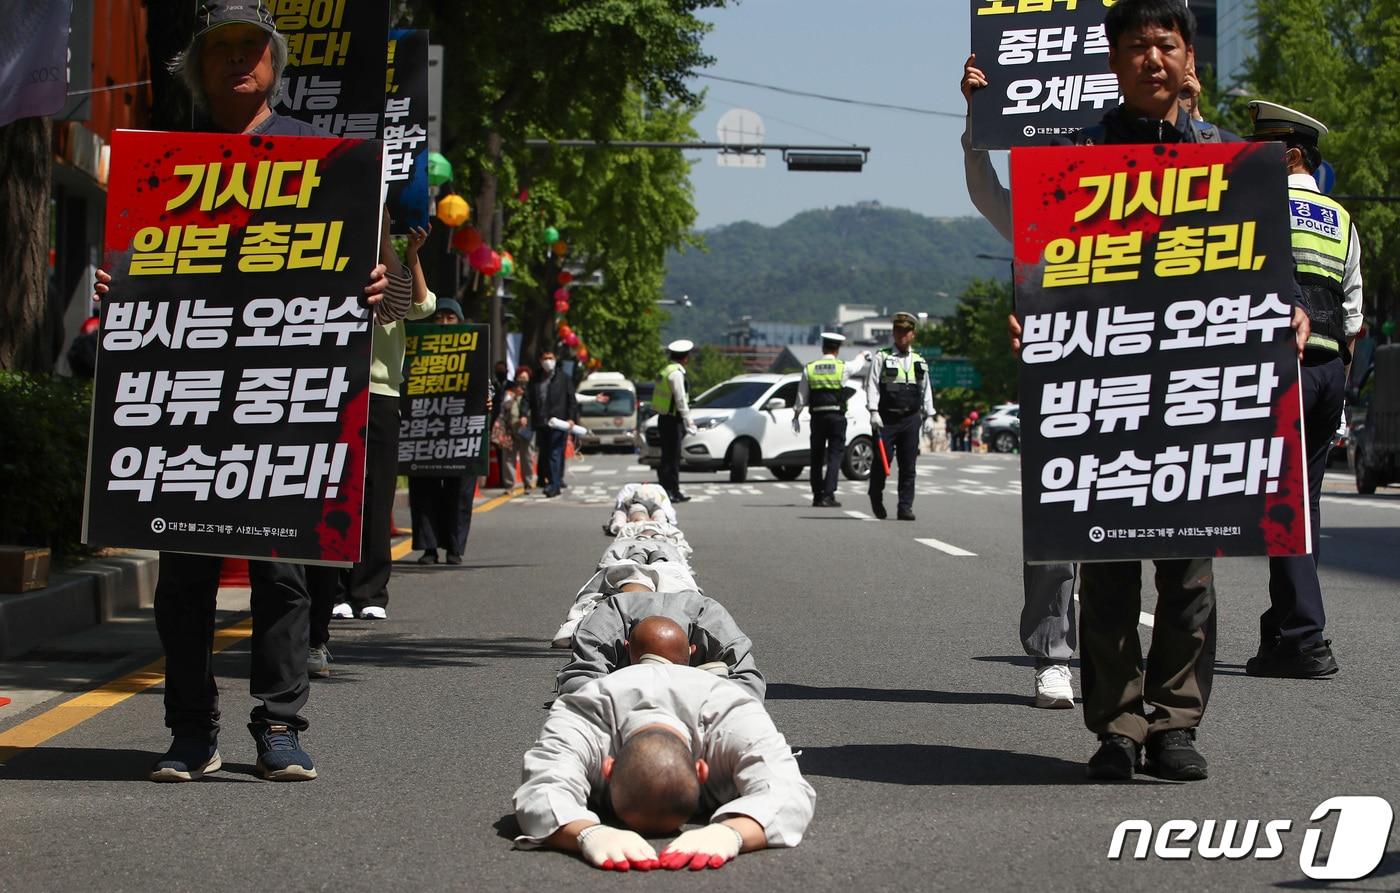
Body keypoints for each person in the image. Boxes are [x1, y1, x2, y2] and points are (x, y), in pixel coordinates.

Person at [92, 0, 407, 781]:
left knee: (283, 568)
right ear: (197, 67)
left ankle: (278, 726)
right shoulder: (165, 162)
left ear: (275, 61)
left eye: (252, 47)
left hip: (287, 396)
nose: (239, 60)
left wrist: (380, 285)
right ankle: (191, 729)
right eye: (221, 49)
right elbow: (137, 272)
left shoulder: (326, 156)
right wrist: (115, 282)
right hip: (190, 400)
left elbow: (400, 300)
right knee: (187, 571)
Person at [1003, 0, 1308, 780]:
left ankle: (1174, 724)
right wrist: (1028, 321)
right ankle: (1115, 728)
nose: (1150, 59)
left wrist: (1292, 315)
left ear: (1188, 58)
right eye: (1134, 45)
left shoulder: (1234, 158)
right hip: (1107, 396)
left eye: (1164, 45)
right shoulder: (1079, 155)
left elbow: (1266, 269)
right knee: (1106, 570)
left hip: (1195, 397)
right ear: (1113, 60)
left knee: (1190, 571)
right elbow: (1042, 272)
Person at [1244, 101, 1363, 679]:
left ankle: (1304, 638)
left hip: (1280, 367)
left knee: (1281, 505)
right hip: (1327, 375)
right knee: (1303, 502)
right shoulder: (1341, 220)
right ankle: (1282, 629)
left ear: (1289, 155)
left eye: (1263, 149)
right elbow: (1355, 313)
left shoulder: (1261, 206)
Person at [512, 662, 815, 872]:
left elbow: (788, 791)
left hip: (704, 685)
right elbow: (543, 788)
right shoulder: (581, 716)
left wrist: (731, 834)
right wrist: (587, 834)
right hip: (616, 684)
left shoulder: (735, 716)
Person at [557, 591, 765, 700]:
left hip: (685, 592)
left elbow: (751, 686)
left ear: (692, 650)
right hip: (625, 594)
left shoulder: (715, 626)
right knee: (629, 572)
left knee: (670, 567)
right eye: (649, 666)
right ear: (626, 647)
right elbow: (574, 683)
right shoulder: (604, 626)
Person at [408, 296, 481, 566]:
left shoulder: (475, 349)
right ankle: (428, 548)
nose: (444, 323)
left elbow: (485, 384)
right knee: (424, 491)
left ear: (460, 322)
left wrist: (487, 396)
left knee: (459, 493)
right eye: (439, 318)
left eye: (450, 318)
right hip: (425, 432)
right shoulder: (417, 349)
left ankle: (454, 547)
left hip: (461, 434)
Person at [865, 312, 933, 521]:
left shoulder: (919, 360)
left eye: (906, 331)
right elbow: (873, 385)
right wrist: (874, 411)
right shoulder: (882, 357)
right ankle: (875, 495)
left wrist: (929, 414)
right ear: (894, 333)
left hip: (911, 419)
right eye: (898, 331)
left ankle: (905, 507)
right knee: (881, 462)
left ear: (913, 334)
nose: (901, 335)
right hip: (886, 418)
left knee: (908, 465)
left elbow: (926, 389)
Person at [792, 333, 869, 507]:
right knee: (835, 456)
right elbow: (857, 366)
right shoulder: (842, 367)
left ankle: (817, 496)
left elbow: (801, 396)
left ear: (823, 347)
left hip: (817, 418)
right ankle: (828, 494)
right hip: (836, 417)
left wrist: (796, 415)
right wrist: (862, 355)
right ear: (838, 349)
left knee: (816, 457)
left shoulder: (810, 368)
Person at [530, 350, 578, 498]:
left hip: (559, 422)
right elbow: (528, 398)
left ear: (555, 359)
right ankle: (547, 481)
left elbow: (572, 400)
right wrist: (525, 414)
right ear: (540, 360)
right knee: (544, 454)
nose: (548, 361)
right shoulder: (535, 378)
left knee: (555, 454)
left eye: (550, 358)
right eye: (545, 358)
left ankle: (554, 485)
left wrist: (570, 418)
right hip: (542, 423)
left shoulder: (564, 378)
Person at [654, 339, 697, 503]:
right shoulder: (676, 373)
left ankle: (671, 490)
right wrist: (689, 421)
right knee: (672, 458)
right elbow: (680, 400)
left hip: (664, 418)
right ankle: (670, 491)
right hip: (673, 420)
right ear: (685, 357)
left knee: (669, 457)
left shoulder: (666, 370)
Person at [604, 482, 676, 535]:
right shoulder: (627, 505)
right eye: (636, 520)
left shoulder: (651, 506)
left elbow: (659, 514)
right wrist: (618, 526)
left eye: (636, 521)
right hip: (642, 498)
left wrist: (661, 524)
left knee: (664, 514)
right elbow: (619, 516)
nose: (638, 524)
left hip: (648, 496)